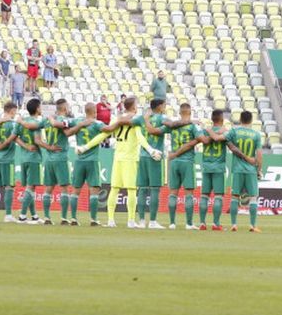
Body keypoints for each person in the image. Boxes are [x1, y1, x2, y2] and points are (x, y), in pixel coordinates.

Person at [78, 96, 160, 228]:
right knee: (132, 190)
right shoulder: (135, 121)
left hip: (117, 158)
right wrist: (151, 150)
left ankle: (111, 220)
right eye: (136, 104)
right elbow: (140, 138)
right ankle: (131, 221)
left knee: (114, 189)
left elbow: (103, 135)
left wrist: (85, 147)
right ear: (133, 107)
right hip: (130, 159)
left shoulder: (117, 120)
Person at [207, 111, 263, 232]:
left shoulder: (234, 131)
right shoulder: (256, 135)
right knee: (253, 198)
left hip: (237, 169)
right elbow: (259, 155)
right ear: (251, 120)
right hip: (250, 170)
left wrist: (209, 130)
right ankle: (253, 226)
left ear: (240, 119)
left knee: (235, 197)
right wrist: (259, 170)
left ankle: (233, 225)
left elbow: (216, 138)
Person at [158, 103, 201, 230]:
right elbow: (200, 138)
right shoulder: (192, 126)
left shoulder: (174, 126)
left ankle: (172, 223)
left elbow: (159, 129)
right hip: (187, 161)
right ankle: (189, 223)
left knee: (173, 193)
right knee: (188, 194)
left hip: (174, 161)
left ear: (180, 112)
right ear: (190, 112)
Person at [70, 103, 113, 226]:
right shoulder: (97, 124)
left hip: (79, 160)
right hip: (92, 160)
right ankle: (93, 220)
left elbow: (66, 128)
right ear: (94, 111)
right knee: (94, 190)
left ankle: (73, 218)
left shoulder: (78, 121)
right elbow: (109, 130)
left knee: (75, 190)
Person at [133, 99, 168, 229]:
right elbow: (172, 125)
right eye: (164, 105)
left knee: (142, 189)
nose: (165, 107)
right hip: (155, 156)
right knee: (154, 189)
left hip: (142, 155)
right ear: (159, 107)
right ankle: (152, 221)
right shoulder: (162, 118)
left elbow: (127, 121)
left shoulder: (142, 118)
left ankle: (141, 221)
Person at [13, 98, 49, 224]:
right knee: (30, 187)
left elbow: (14, 138)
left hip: (23, 158)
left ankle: (34, 216)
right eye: (40, 106)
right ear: (37, 108)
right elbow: (38, 141)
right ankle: (22, 216)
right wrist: (50, 147)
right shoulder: (36, 123)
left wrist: (25, 146)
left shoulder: (21, 123)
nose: (41, 109)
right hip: (34, 158)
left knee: (31, 188)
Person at [198, 109, 227, 231]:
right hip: (218, 167)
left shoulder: (205, 131)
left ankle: (202, 223)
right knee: (218, 196)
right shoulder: (225, 132)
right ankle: (216, 224)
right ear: (222, 119)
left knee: (204, 195)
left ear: (212, 119)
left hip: (206, 166)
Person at [0, 101, 18, 222]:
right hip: (7, 159)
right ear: (12, 111)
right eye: (15, 111)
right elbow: (16, 138)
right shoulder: (12, 124)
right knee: (9, 186)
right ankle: (9, 215)